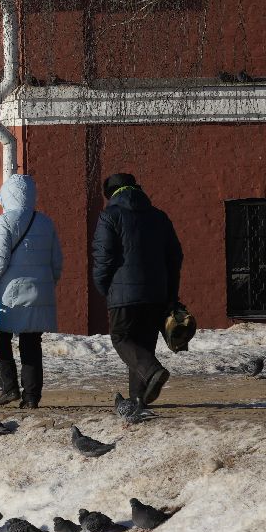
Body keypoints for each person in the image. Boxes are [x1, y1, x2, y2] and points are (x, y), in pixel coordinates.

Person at [91, 172, 183, 407]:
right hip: (156, 294)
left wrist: (103, 286)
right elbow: (175, 257)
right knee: (143, 344)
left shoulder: (109, 216)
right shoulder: (159, 217)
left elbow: (103, 258)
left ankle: (152, 371)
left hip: (124, 295)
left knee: (121, 338)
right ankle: (138, 398)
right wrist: (171, 294)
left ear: (111, 194)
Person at [0, 173, 62, 408]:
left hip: (9, 295)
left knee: (0, 338)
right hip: (39, 293)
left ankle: (10, 388)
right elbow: (57, 263)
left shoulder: (5, 222)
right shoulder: (45, 222)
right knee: (31, 345)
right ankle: (32, 397)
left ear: (8, 195)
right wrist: (45, 286)